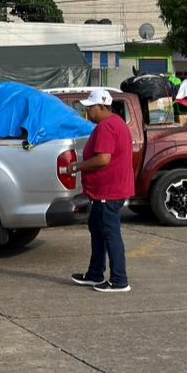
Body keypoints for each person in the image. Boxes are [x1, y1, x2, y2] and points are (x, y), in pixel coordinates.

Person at [65, 89, 135, 292]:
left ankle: (119, 280)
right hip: (108, 190)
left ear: (102, 106)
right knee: (97, 229)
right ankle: (95, 273)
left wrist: (77, 166)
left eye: (90, 108)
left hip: (108, 190)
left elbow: (103, 159)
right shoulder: (117, 123)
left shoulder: (106, 126)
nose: (88, 112)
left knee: (110, 233)